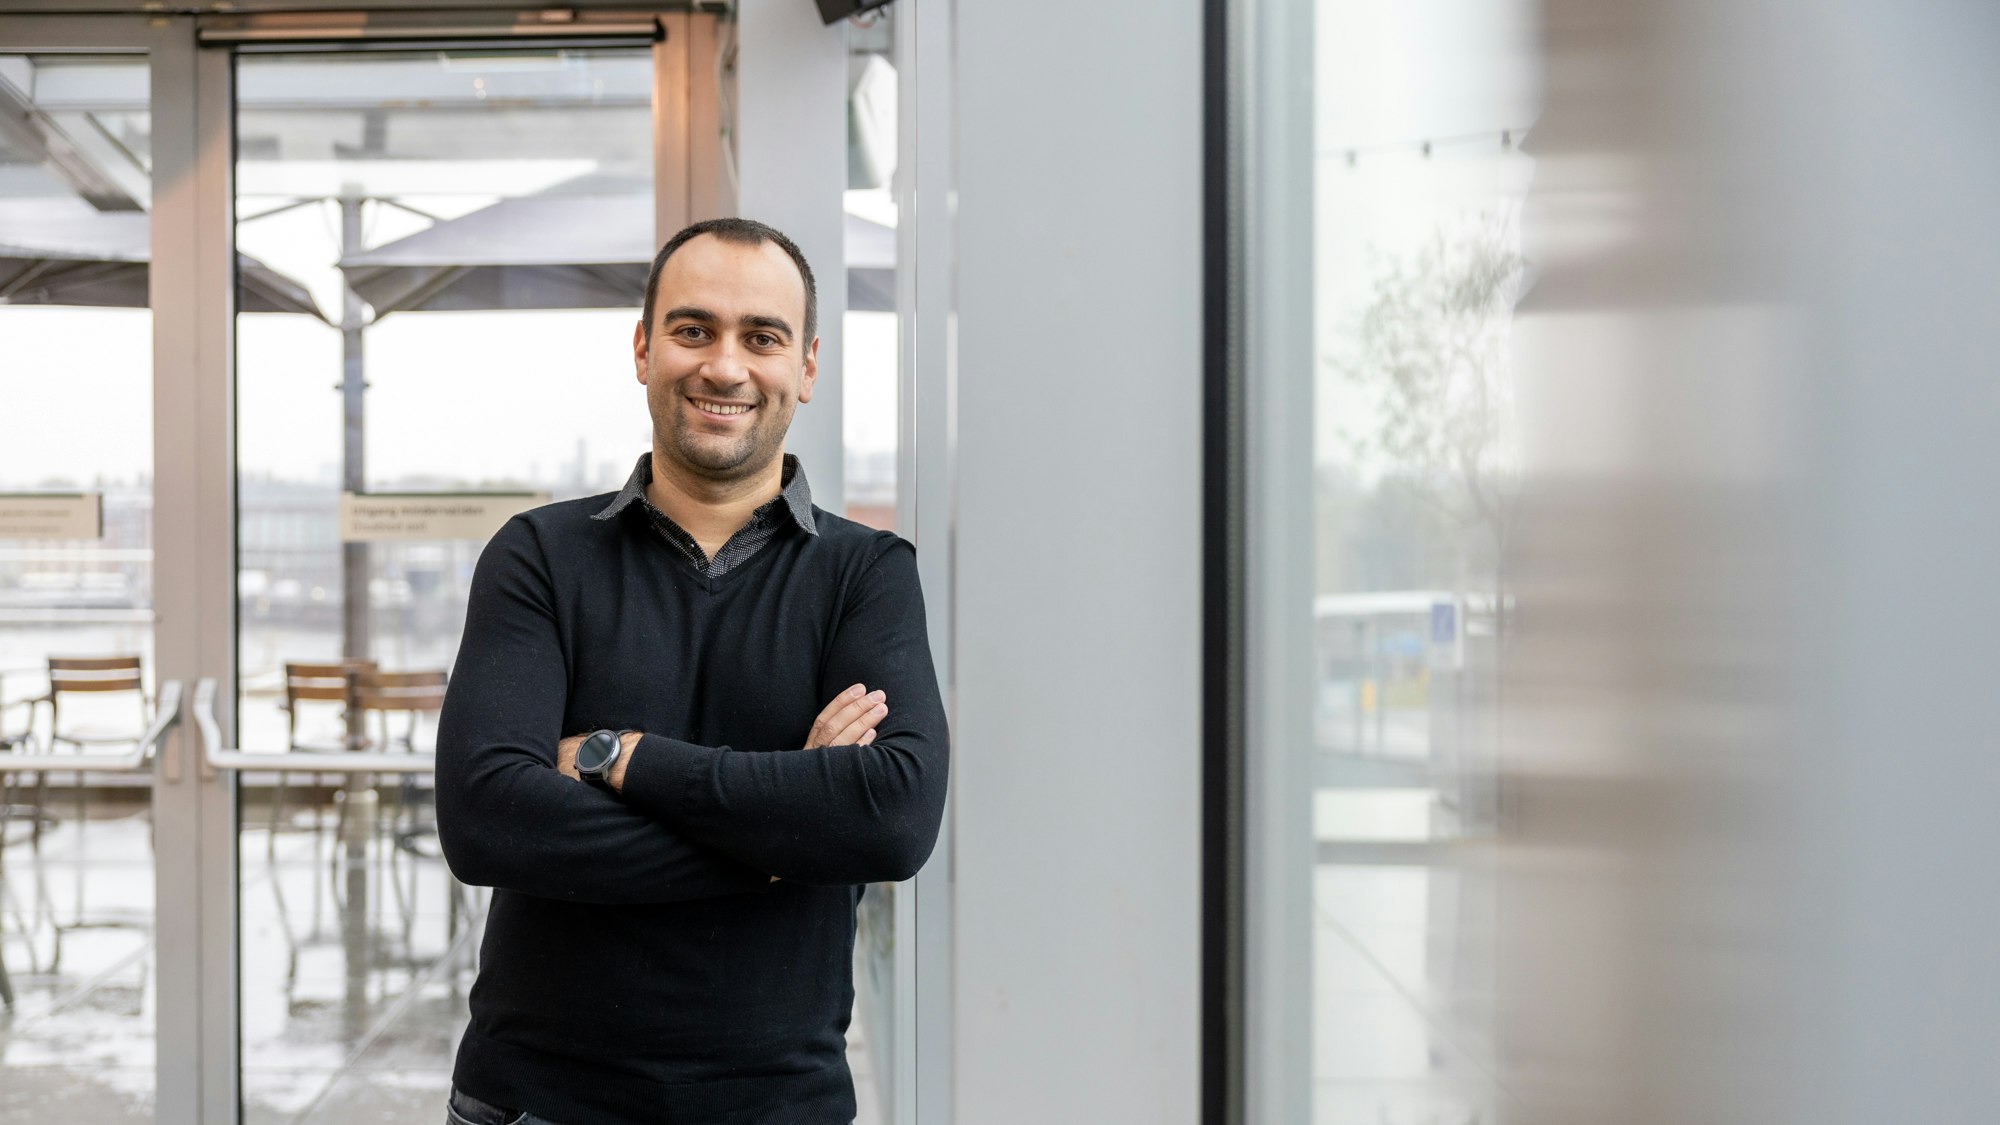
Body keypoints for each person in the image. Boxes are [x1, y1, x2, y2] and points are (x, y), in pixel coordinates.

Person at [434, 217, 949, 1125]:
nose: (724, 366)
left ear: (807, 367)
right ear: (643, 349)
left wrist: (619, 756)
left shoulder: (866, 573)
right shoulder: (538, 556)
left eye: (762, 337)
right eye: (693, 329)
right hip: (538, 1102)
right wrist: (786, 841)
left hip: (778, 1105)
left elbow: (894, 817)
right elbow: (487, 820)